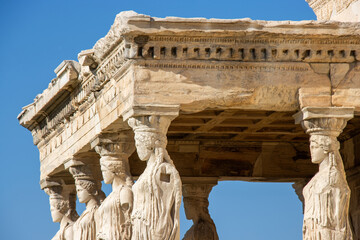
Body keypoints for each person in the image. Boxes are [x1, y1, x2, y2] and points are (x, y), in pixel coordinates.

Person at [128, 116, 182, 240]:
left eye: (139, 144)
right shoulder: (146, 173)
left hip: (153, 226)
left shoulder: (164, 170)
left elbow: (168, 204)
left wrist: (160, 230)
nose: (137, 149)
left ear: (149, 145)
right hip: (140, 225)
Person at [303, 135, 353, 240]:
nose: (311, 151)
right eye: (311, 147)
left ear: (325, 149)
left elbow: (337, 210)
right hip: (312, 228)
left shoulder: (332, 176)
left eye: (315, 147)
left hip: (328, 229)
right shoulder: (318, 176)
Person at [96, 157, 133, 240]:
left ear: (113, 171)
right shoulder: (109, 197)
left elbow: (128, 219)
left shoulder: (124, 192)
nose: (103, 175)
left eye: (104, 171)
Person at [70, 165, 105, 240]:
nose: (78, 194)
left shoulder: (97, 211)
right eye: (77, 191)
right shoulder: (85, 213)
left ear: (91, 190)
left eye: (80, 190)